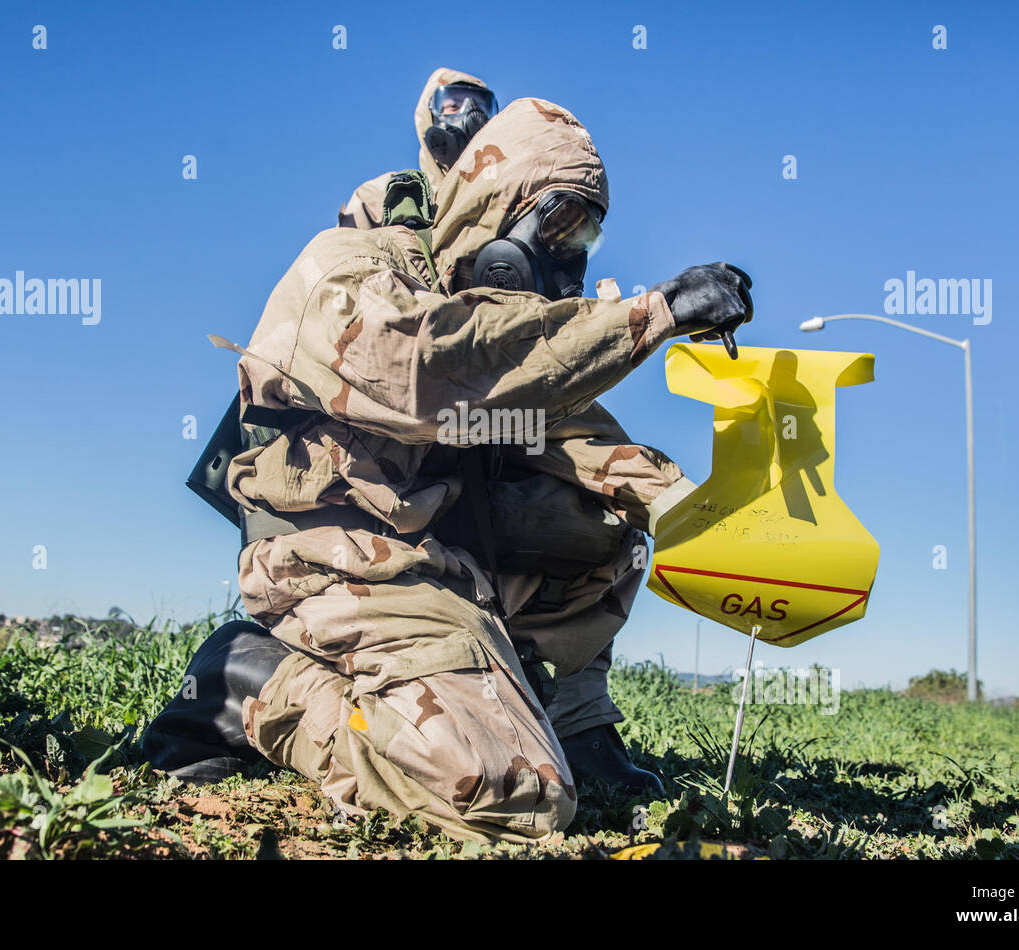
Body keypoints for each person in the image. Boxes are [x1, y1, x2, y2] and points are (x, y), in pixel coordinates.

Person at [144, 98, 753, 842]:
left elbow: (571, 428)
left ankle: (564, 716)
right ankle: (252, 679)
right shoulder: (352, 271)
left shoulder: (514, 310)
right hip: (342, 557)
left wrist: (705, 517)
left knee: (607, 526)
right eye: (557, 223)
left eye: (587, 234)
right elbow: (437, 368)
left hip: (440, 551)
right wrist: (651, 315)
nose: (568, 254)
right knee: (512, 796)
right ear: (495, 209)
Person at [337, 67, 496, 230]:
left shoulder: (505, 195)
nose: (472, 117)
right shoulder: (387, 194)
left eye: (481, 109)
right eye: (454, 106)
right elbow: (342, 249)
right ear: (429, 118)